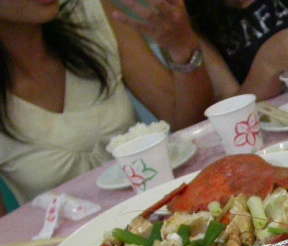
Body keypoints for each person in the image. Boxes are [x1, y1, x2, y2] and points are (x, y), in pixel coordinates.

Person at [0, 0, 214, 215]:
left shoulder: (91, 14)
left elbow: (189, 121)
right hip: (71, 243)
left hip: (164, 212)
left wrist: (182, 47)